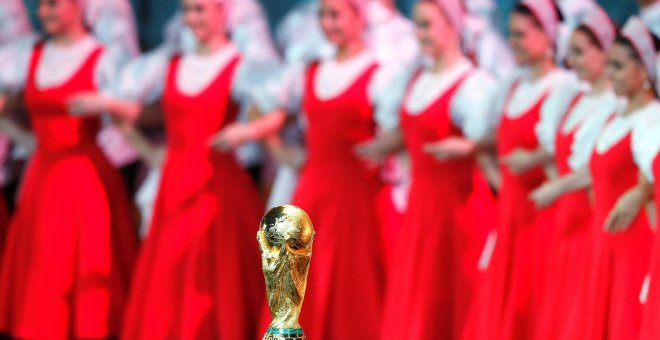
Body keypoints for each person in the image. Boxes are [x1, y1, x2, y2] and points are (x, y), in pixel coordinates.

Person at [69, 0, 277, 338]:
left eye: (201, 9)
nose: (193, 17)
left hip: (218, 188)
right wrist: (117, 115)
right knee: (168, 275)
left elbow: (274, 112)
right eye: (187, 10)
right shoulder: (173, 63)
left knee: (216, 278)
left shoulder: (240, 66)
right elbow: (155, 114)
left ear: (223, 14)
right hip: (175, 185)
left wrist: (251, 133)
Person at [0, 0, 137, 338]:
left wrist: (106, 104)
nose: (44, 12)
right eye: (41, 6)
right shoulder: (29, 56)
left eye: (53, 4)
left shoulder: (102, 57)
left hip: (84, 179)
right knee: (43, 270)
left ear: (79, 7)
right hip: (43, 177)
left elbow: (134, 110)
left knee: (84, 268)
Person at [364, 0, 497, 338]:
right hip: (421, 207)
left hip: (459, 211)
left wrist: (470, 149)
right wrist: (382, 147)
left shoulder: (472, 84)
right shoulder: (413, 79)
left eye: (428, 24)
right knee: (417, 300)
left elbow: (489, 148)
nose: (420, 33)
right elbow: (405, 133)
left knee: (454, 298)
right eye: (418, 25)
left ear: (452, 26)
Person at [463, 1, 578, 339]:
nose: (512, 42)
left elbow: (569, 153)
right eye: (510, 34)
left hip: (542, 219)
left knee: (536, 308)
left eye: (521, 35)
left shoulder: (563, 87)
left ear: (547, 35)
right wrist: (493, 171)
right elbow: (492, 141)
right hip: (511, 216)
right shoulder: (512, 84)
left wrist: (535, 161)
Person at [528, 6, 619, 340]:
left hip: (588, 222)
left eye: (581, 52)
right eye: (572, 52)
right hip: (565, 221)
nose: (574, 60)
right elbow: (557, 152)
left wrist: (558, 186)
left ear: (604, 52)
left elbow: (596, 170)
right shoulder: (573, 99)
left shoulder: (613, 105)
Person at [568, 17, 657, 340]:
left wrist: (640, 192)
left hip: (634, 244)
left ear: (644, 71)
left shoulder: (653, 119)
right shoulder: (615, 117)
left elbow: (653, 172)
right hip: (605, 242)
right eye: (609, 65)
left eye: (618, 66)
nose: (610, 74)